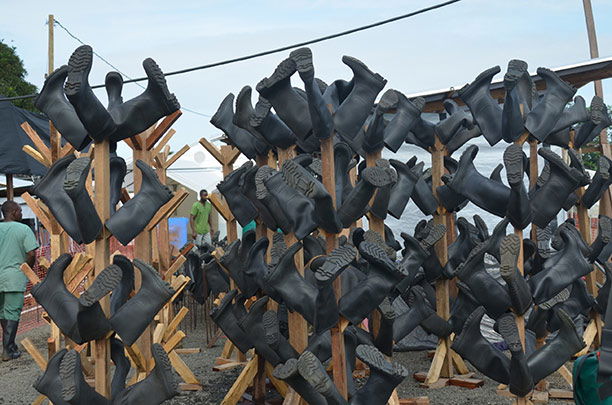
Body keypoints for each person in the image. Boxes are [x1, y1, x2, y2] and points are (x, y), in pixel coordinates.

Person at [0, 201, 38, 361]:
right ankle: (8, 350)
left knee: (3, 312)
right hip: (14, 277)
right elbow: (31, 253)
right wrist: (26, 268)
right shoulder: (23, 229)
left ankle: (10, 346)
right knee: (12, 312)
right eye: (20, 211)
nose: (22, 214)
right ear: (14, 212)